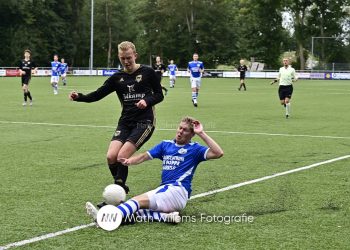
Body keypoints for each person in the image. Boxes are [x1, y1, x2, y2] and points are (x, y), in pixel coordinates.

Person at [69, 41, 164, 205]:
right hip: (125, 122)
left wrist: (147, 101)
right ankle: (120, 188)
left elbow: (159, 95)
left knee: (121, 157)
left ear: (135, 55)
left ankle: (115, 196)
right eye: (122, 58)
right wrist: (80, 97)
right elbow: (98, 94)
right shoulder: (117, 77)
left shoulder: (148, 72)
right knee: (111, 156)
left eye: (129, 58)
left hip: (144, 122)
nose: (126, 61)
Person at [86, 117, 224, 226]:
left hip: (176, 190)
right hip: (169, 192)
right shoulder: (166, 145)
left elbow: (218, 153)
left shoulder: (195, 149)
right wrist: (129, 161)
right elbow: (145, 156)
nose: (180, 131)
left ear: (192, 134)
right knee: (138, 211)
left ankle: (103, 219)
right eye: (180, 128)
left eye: (185, 130)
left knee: (135, 201)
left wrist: (202, 133)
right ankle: (165, 216)